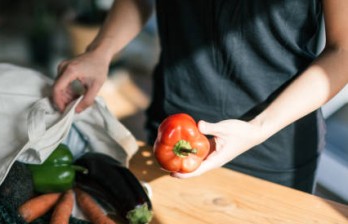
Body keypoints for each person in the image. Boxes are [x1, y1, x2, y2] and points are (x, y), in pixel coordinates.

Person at [52, 0, 348, 193]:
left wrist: (257, 129)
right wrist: (100, 52)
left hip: (274, 144)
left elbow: (343, 51)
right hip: (170, 133)